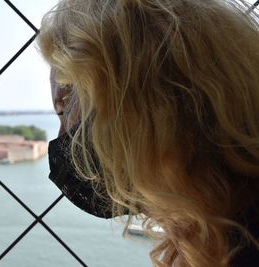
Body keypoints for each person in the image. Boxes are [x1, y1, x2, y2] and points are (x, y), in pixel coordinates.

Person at [37, 0, 259, 266]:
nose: (63, 134)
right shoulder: (226, 226)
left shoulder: (238, 250)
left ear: (135, 113)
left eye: (63, 107)